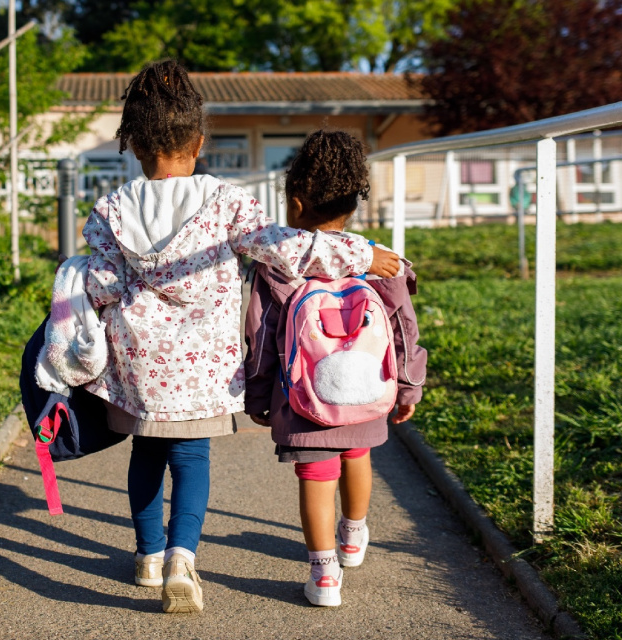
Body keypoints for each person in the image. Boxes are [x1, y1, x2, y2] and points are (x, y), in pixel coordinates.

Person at [82, 62, 402, 614]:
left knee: (145, 457)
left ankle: (148, 557)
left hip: (137, 365)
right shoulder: (227, 203)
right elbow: (287, 247)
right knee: (191, 459)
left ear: (132, 146)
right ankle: (183, 555)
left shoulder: (110, 211)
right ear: (200, 142)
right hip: (201, 368)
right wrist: (361, 254)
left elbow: (102, 285)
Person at [243, 129, 428, 607]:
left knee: (316, 475)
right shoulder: (377, 261)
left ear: (297, 204)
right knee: (357, 457)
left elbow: (261, 334)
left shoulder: (280, 265)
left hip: (303, 396)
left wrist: (259, 394)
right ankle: (353, 536)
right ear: (352, 205)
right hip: (365, 388)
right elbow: (403, 328)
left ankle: (324, 576)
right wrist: (408, 386)